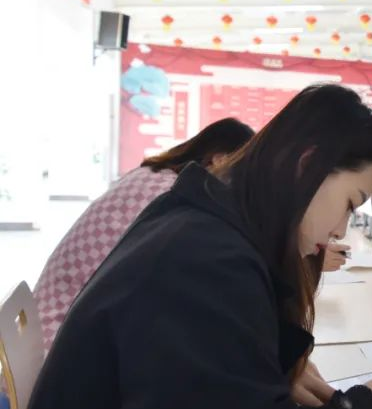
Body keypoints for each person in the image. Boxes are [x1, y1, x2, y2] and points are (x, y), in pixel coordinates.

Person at [0, 85, 372, 409]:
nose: (341, 229)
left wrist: (266, 365)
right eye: (349, 204)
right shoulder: (204, 258)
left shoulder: (204, 222)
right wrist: (367, 408)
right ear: (306, 164)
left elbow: (207, 400)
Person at [33, 118, 254, 351]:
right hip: (62, 340)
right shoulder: (172, 195)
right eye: (240, 174)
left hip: (46, 324)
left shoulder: (151, 176)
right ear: (220, 159)